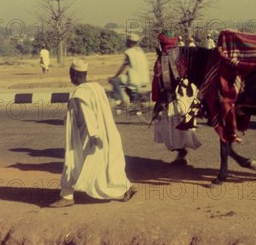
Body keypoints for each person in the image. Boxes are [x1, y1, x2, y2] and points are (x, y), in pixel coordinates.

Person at [49, 59, 137, 208]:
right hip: (99, 133)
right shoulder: (96, 87)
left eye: (71, 74)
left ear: (76, 74)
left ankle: (67, 196)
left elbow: (87, 113)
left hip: (86, 136)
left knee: (72, 162)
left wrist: (94, 135)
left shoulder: (80, 93)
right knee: (105, 164)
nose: (70, 77)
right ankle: (126, 186)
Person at [152, 33, 202, 165]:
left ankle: (182, 154)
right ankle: (182, 154)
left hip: (173, 98)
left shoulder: (163, 59)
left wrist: (158, 99)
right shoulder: (182, 55)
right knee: (181, 126)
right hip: (185, 97)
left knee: (174, 127)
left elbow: (160, 80)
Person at [110, 33, 150, 106]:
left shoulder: (129, 52)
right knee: (128, 89)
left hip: (135, 80)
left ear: (130, 42)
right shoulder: (140, 51)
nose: (126, 42)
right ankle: (133, 101)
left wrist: (114, 76)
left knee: (115, 81)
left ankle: (119, 101)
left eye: (127, 41)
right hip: (144, 78)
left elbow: (123, 66)